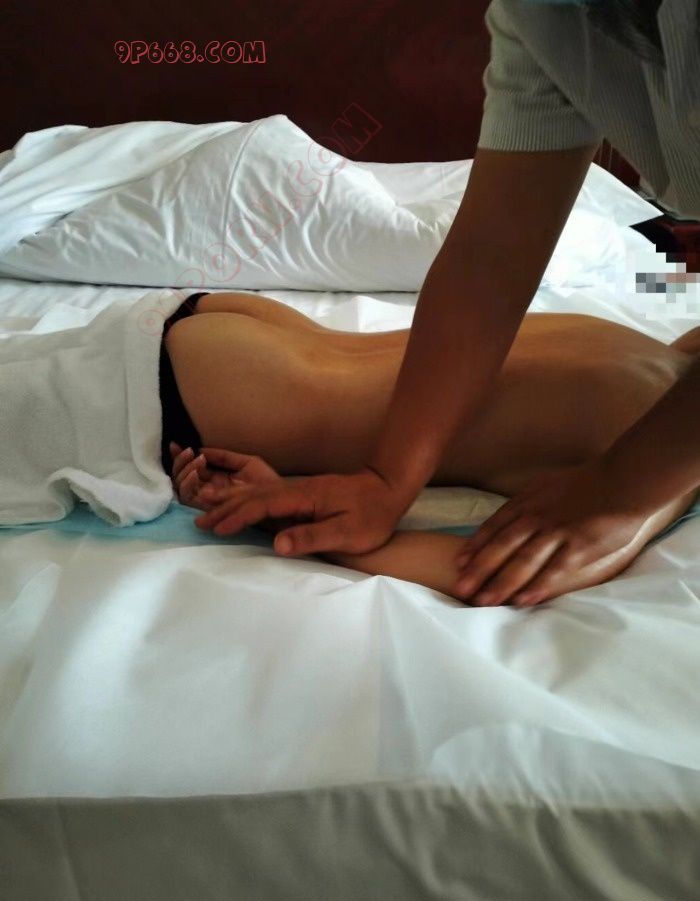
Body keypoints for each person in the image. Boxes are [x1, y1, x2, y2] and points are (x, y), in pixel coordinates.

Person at [175, 0, 700, 607]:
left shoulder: (647, 458)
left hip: (230, 355)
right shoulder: (650, 432)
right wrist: (365, 490)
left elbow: (487, 566)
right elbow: (490, 258)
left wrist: (329, 504)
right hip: (239, 389)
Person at [160, 290, 699, 605]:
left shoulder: (651, 357)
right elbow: (479, 573)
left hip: (232, 320)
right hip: (237, 393)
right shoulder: (654, 466)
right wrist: (287, 520)